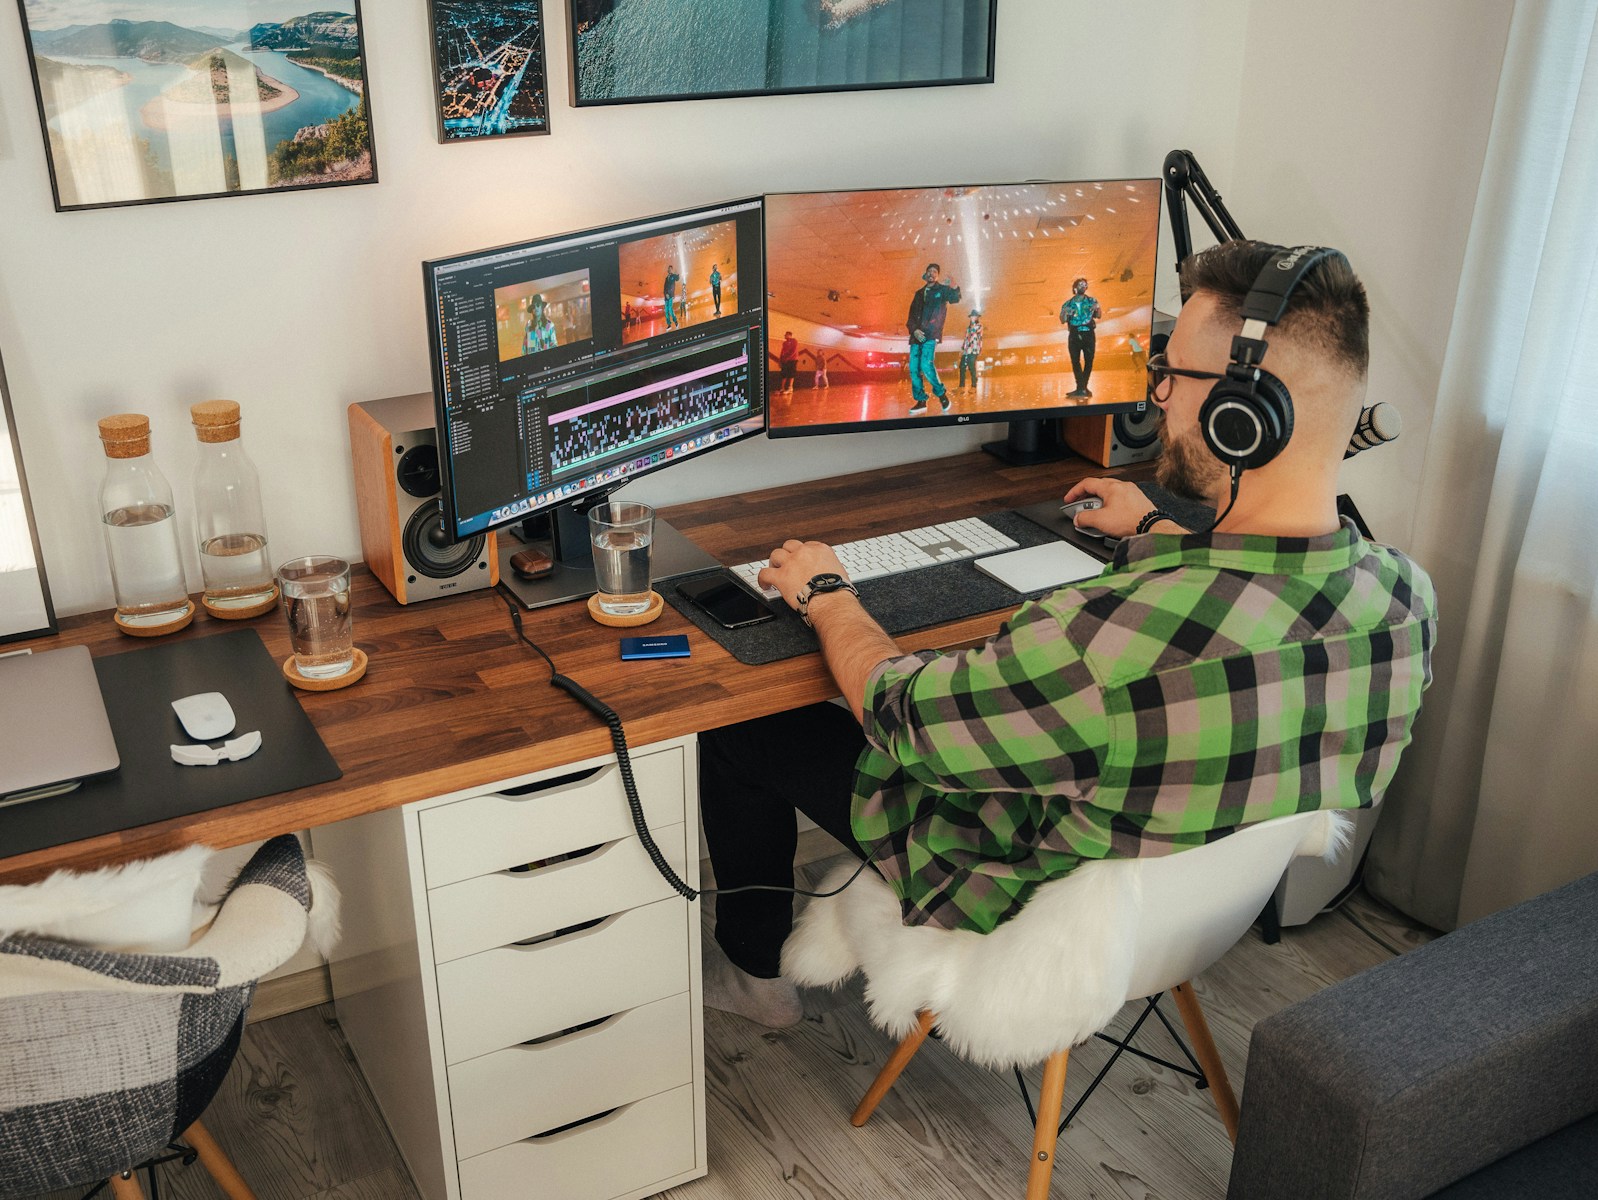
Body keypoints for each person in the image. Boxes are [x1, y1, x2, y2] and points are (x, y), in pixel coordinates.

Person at [696, 239, 1437, 1027]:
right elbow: (1259, 600)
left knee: (747, 726)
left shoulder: (1098, 647)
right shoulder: (1403, 601)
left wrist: (827, 593)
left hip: (1018, 898)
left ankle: (754, 977)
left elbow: (902, 716)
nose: (1155, 391)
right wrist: (1153, 524)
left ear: (1241, 415)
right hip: (1189, 920)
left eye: (1173, 373)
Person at [905, 262, 961, 414]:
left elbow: (955, 298)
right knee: (913, 369)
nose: (931, 273)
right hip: (917, 337)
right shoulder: (918, 294)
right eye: (929, 271)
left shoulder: (942, 290)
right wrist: (914, 330)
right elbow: (910, 317)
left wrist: (955, 286)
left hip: (930, 335)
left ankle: (942, 395)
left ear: (937, 275)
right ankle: (921, 401)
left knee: (925, 364)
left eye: (935, 271)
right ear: (925, 275)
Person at [1059, 277, 1102, 398]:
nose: (1084, 286)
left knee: (1089, 361)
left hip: (1088, 333)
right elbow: (1062, 320)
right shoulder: (1068, 304)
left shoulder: (1092, 300)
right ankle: (1082, 388)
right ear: (1075, 288)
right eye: (1081, 284)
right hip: (1074, 334)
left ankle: (1082, 388)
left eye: (1085, 285)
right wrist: (1064, 312)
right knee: (1075, 361)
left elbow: (1098, 315)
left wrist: (1097, 308)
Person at [958, 311, 983, 390]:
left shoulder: (979, 326)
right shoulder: (968, 328)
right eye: (971, 316)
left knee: (971, 366)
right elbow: (966, 339)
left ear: (977, 318)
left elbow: (974, 333)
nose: (972, 318)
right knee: (962, 366)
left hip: (974, 349)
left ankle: (973, 386)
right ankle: (961, 386)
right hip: (966, 350)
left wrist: (972, 326)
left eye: (974, 316)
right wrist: (962, 349)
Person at [663, 263, 680, 329]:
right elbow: (664, 288)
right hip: (666, 296)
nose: (669, 270)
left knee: (670, 309)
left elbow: (677, 279)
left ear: (672, 270)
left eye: (670, 269)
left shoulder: (673, 276)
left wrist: (677, 273)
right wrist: (665, 294)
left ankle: (675, 321)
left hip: (670, 295)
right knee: (666, 311)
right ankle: (669, 325)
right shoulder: (666, 278)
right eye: (668, 269)